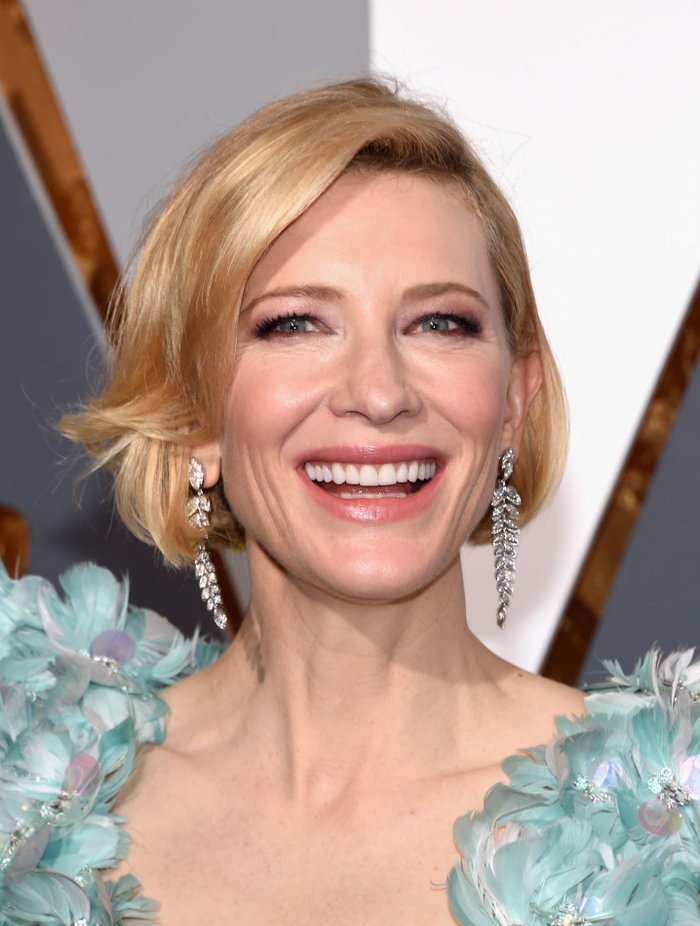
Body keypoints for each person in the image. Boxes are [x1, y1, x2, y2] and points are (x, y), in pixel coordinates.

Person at [0, 79, 698, 926]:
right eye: (295, 324)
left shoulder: (673, 833)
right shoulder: (23, 814)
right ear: (194, 416)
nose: (379, 392)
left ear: (514, 403)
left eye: (439, 323)